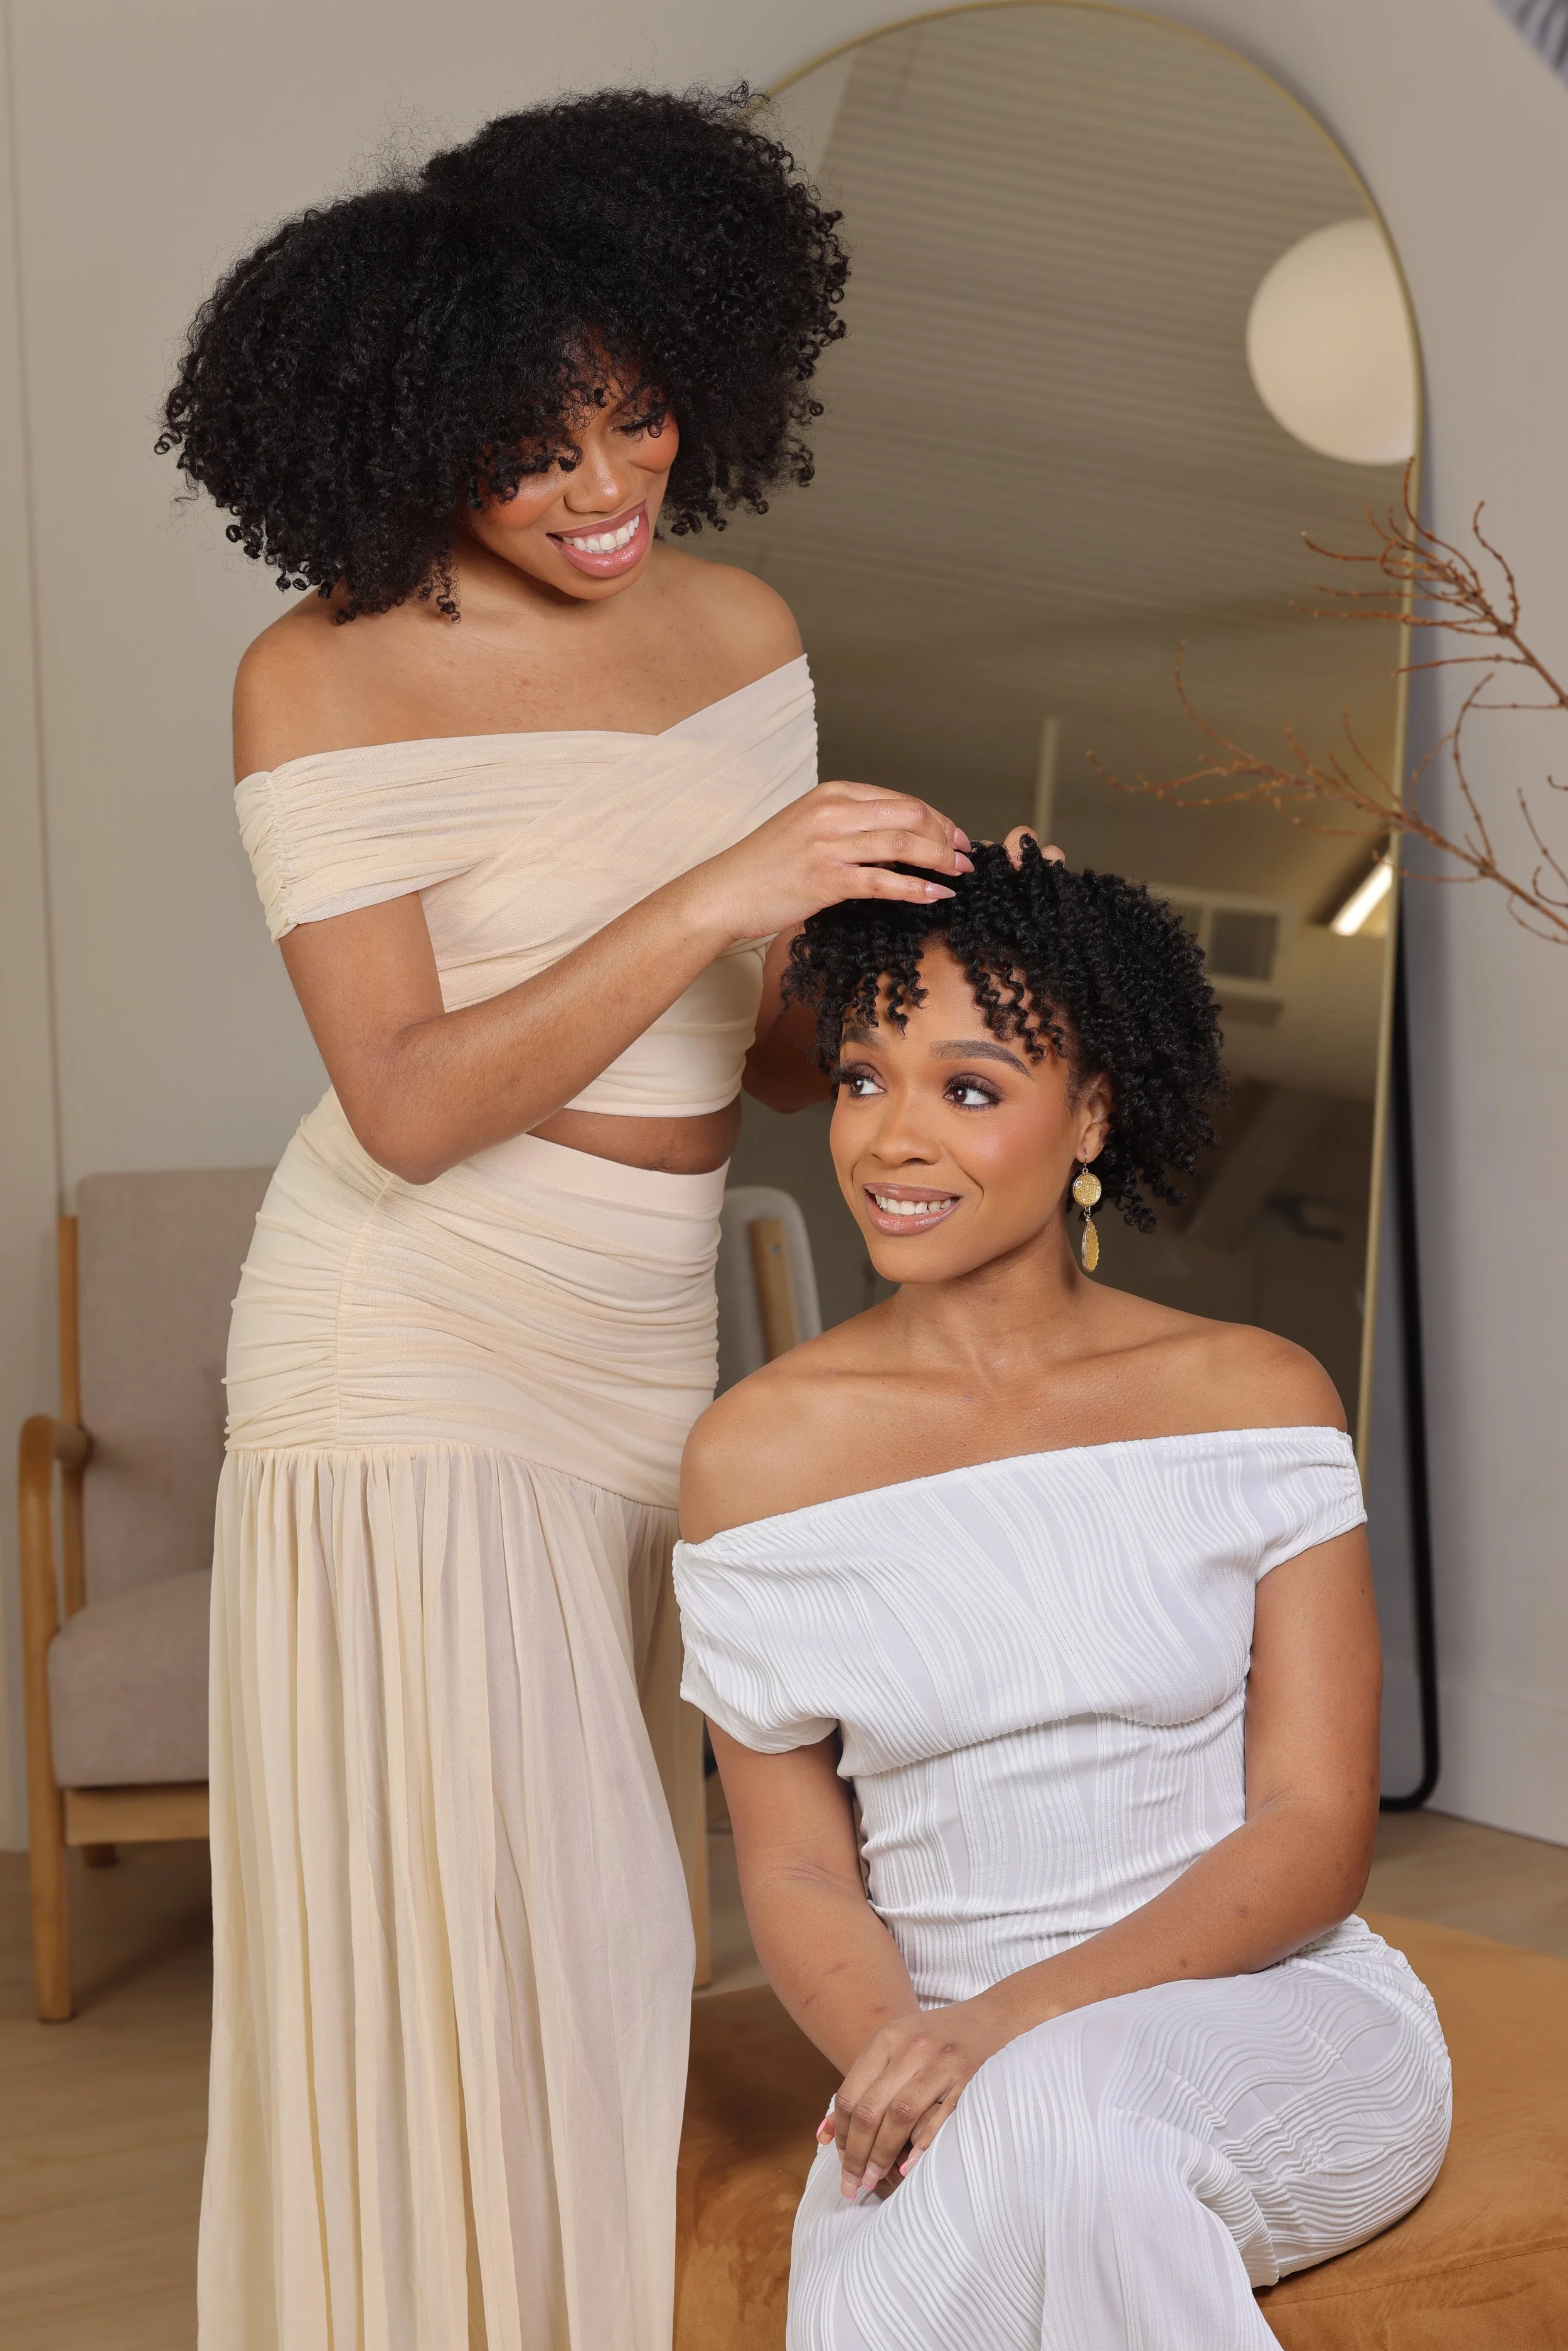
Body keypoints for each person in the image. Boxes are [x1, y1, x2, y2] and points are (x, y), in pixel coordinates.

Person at [157, 88, 974, 2351]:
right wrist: (713, 879)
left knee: (606, 1933)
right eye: (540, 453)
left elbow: (773, 1049)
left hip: (642, 1345)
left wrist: (891, 934)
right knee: (517, 1940)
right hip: (409, 1340)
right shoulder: (317, 674)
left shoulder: (736, 622)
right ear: (404, 441)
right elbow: (409, 1100)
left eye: (633, 419)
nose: (610, 491)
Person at [676, 840, 1451, 2350]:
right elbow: (798, 1871)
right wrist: (909, 2053)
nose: (894, 1140)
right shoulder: (755, 1457)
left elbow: (1312, 1831)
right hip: (924, 2066)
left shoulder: (1252, 1395)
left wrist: (1007, 2029)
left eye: (969, 1088)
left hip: (1277, 2024)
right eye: (859, 1077)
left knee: (1077, 2118)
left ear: (1092, 1111)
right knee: (1064, 2150)